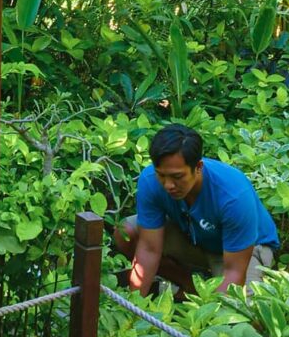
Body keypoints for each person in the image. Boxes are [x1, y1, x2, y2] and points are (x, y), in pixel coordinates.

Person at [114, 124, 279, 297]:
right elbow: (149, 249)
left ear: (198, 167)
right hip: (194, 237)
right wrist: (133, 308)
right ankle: (188, 284)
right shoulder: (150, 181)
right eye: (161, 175)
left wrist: (207, 313)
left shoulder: (233, 195)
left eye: (177, 177)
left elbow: (234, 272)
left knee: (246, 311)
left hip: (242, 250)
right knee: (127, 231)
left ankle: (203, 291)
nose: (168, 185)